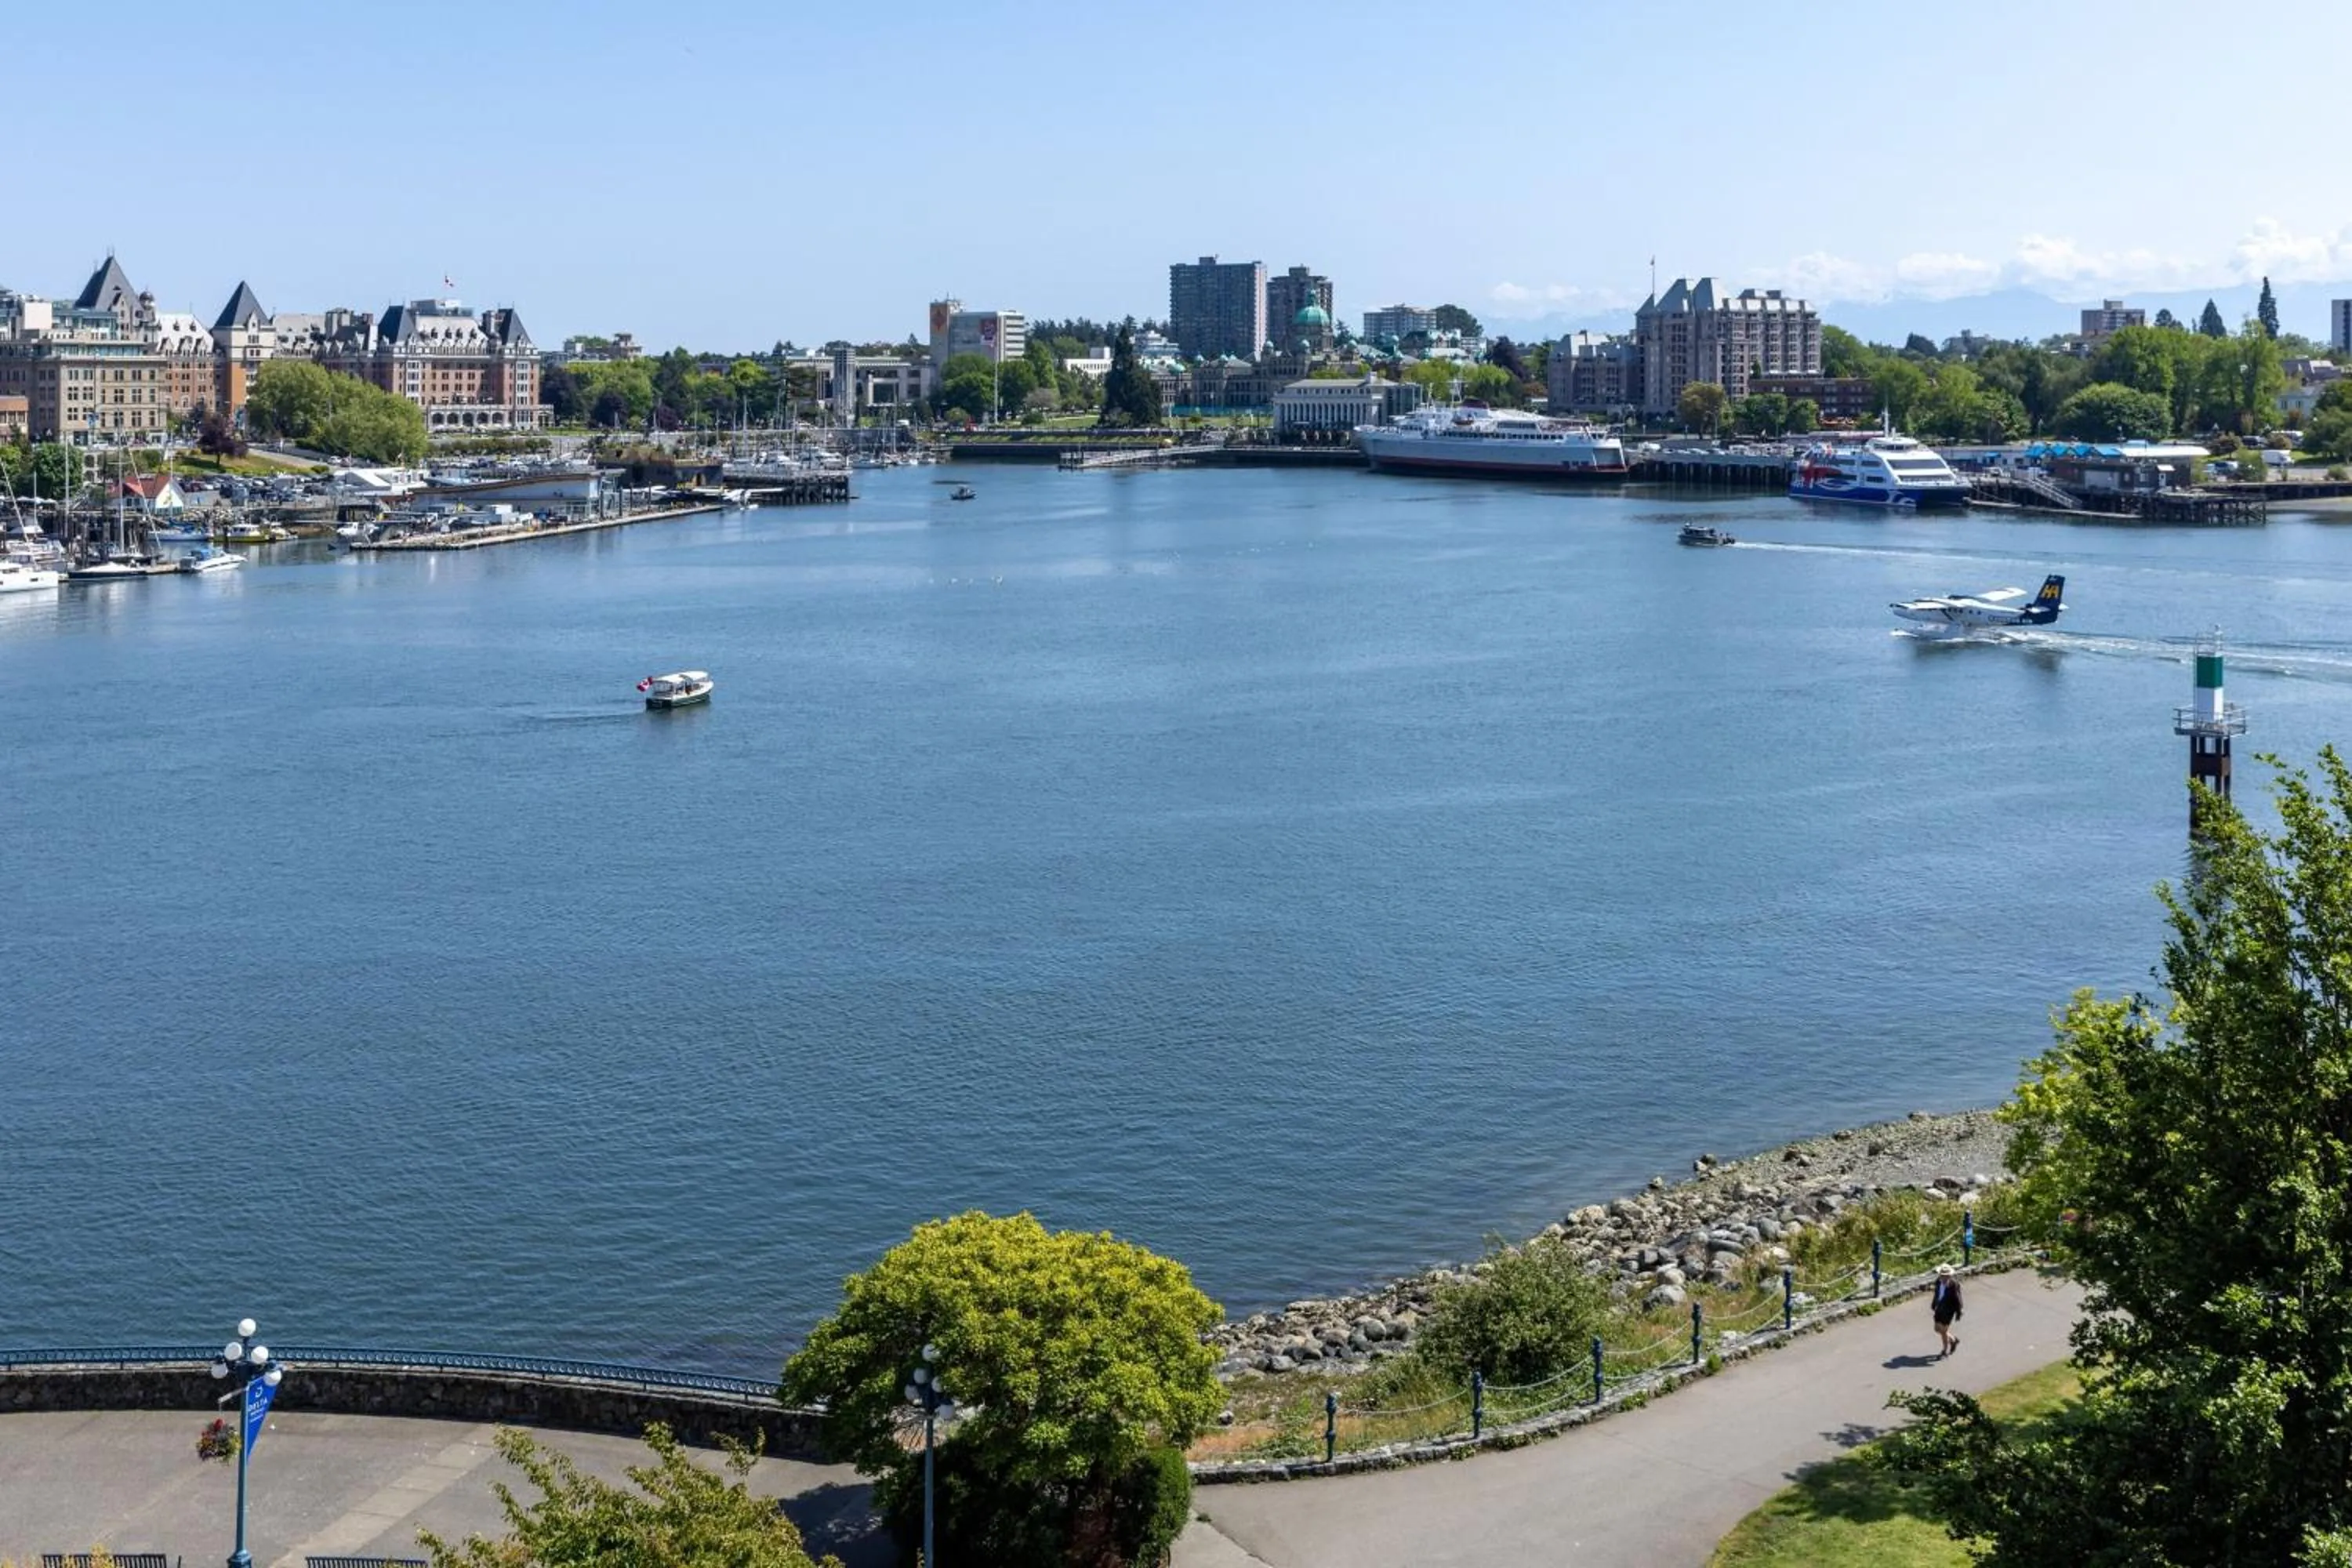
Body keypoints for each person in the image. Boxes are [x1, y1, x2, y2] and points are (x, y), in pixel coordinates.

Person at [1931, 1263, 1964, 1359]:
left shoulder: (1954, 1285)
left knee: (1944, 1332)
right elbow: (1937, 1294)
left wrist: (1959, 1311)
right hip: (1939, 1308)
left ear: (1950, 1276)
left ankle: (1944, 1351)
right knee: (1937, 1329)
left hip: (1948, 1311)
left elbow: (1958, 1299)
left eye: (1947, 1276)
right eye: (1943, 1276)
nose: (1944, 1278)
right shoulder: (1938, 1282)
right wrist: (1934, 1304)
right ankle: (1953, 1340)